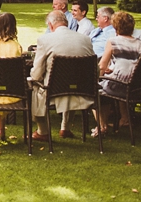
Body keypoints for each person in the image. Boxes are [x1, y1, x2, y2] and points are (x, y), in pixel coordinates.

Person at [31, 9, 95, 140]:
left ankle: (43, 131)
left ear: (50, 25)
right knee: (70, 86)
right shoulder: (86, 39)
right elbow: (95, 70)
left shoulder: (45, 40)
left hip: (54, 90)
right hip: (83, 89)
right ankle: (65, 128)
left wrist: (33, 78)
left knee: (35, 86)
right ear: (66, 23)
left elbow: (36, 74)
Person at [95, 11, 141, 133]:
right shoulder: (140, 44)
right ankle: (124, 118)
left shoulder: (113, 41)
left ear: (115, 26)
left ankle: (101, 125)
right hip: (137, 87)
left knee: (95, 91)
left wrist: (98, 79)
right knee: (116, 81)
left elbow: (102, 65)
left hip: (119, 86)